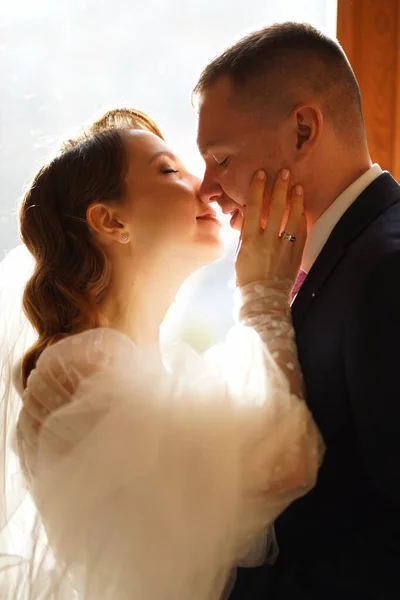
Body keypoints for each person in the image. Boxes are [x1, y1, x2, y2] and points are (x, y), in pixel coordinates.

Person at [0, 107, 321, 599]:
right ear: (111, 221)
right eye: (170, 170)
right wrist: (262, 296)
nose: (207, 187)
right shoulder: (79, 372)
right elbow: (284, 466)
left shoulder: (139, 365)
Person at [194, 21, 400, 600]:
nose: (206, 189)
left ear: (303, 131)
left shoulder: (386, 272)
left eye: (221, 159)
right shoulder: (311, 261)